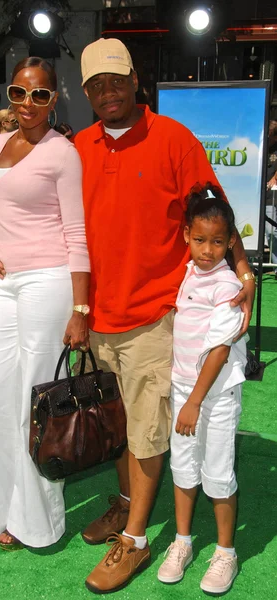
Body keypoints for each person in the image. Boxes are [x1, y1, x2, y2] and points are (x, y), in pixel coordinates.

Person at [0, 39, 255, 591]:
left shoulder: (173, 139)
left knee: (147, 433)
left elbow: (213, 208)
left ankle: (134, 539)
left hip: (155, 318)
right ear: (83, 94)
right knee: (115, 424)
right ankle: (129, 501)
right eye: (96, 85)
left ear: (135, 81)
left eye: (117, 81)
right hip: (92, 316)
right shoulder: (75, 146)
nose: (108, 92)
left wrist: (245, 272)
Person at [0, 56, 90, 550]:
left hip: (47, 281)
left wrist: (80, 310)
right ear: (9, 93)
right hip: (1, 284)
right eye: (19, 93)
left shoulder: (63, 152)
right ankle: (0, 507)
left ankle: (37, 521)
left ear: (53, 98)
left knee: (34, 401)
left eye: (39, 95)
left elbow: (76, 232)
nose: (27, 103)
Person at [157, 184, 246, 594]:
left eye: (216, 242)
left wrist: (194, 401)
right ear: (186, 236)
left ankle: (226, 551)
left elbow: (219, 352)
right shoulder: (191, 270)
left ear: (230, 242)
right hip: (184, 390)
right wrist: (185, 396)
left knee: (218, 472)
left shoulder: (227, 288)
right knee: (183, 467)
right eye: (198, 240)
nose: (206, 250)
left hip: (214, 397)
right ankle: (183, 541)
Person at [266, 120, 277, 276]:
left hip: (272, 195)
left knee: (271, 231)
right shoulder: (259, 145)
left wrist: (275, 177)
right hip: (257, 195)